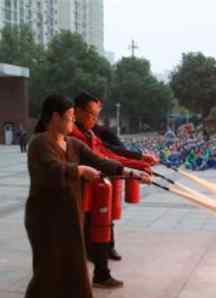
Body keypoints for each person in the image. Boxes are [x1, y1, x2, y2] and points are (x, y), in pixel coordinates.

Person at [24, 95, 151, 298]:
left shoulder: (73, 143)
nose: (73, 122)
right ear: (56, 117)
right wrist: (81, 170)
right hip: (45, 220)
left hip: (71, 217)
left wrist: (131, 173)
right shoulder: (39, 143)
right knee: (47, 272)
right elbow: (53, 170)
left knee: (76, 271)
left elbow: (100, 161)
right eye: (70, 117)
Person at [70, 92, 154, 288]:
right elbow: (100, 160)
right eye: (92, 114)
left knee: (99, 232)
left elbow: (108, 154)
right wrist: (135, 169)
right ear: (78, 111)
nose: (95, 119)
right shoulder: (74, 136)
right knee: (79, 238)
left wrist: (139, 162)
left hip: (93, 194)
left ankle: (100, 273)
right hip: (75, 196)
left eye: (97, 114)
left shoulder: (89, 134)